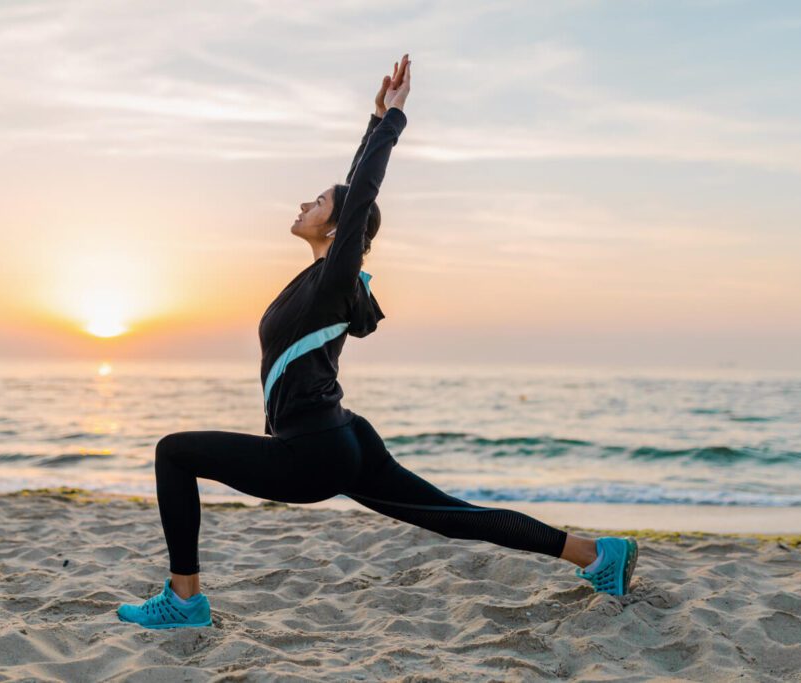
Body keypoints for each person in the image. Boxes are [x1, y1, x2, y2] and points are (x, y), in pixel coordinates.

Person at [117, 54, 638, 629]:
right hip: (341, 435)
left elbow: (360, 193)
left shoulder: (336, 278)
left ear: (337, 230)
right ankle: (596, 554)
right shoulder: (321, 277)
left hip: (312, 452)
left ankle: (185, 601)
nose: (302, 204)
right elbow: (352, 194)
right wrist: (371, 121)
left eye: (315, 203)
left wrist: (393, 120)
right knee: (453, 516)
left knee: (174, 452)